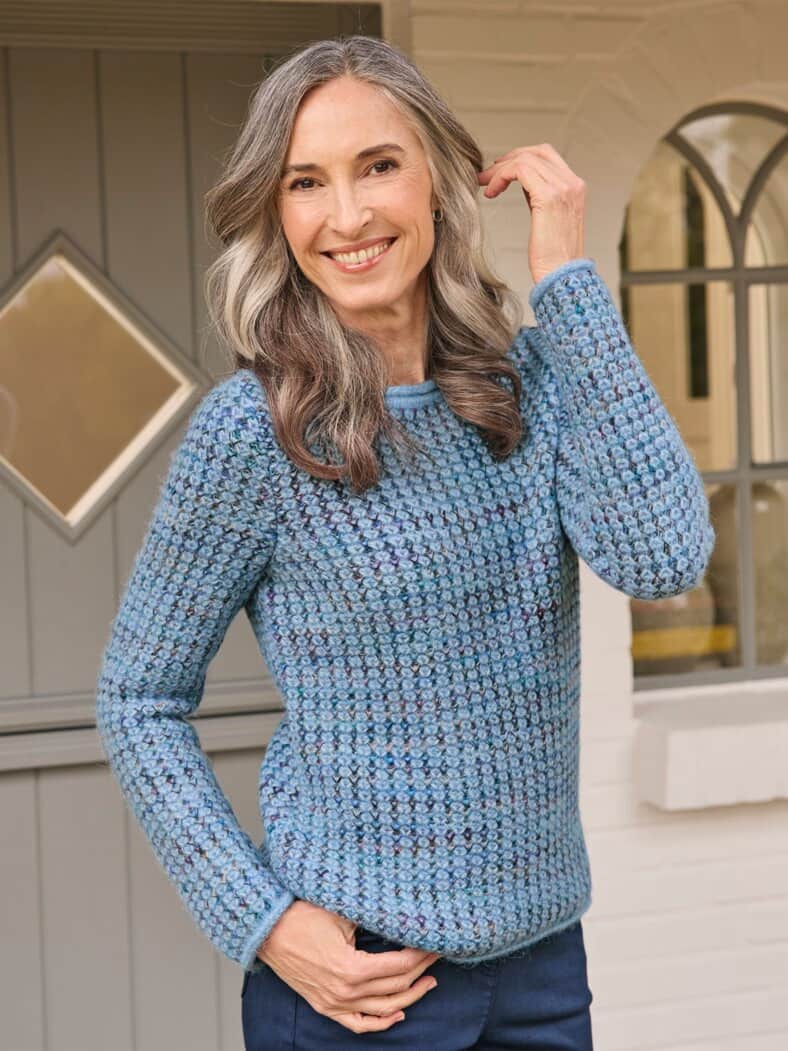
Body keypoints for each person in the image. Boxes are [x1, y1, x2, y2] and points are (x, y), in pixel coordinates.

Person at [95, 34, 715, 1051]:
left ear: (437, 178)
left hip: (542, 971)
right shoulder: (253, 433)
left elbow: (662, 556)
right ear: (275, 212)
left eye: (377, 165)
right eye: (305, 182)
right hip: (358, 993)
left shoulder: (531, 385)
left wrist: (566, 284)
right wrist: (265, 921)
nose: (346, 216)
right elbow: (138, 698)